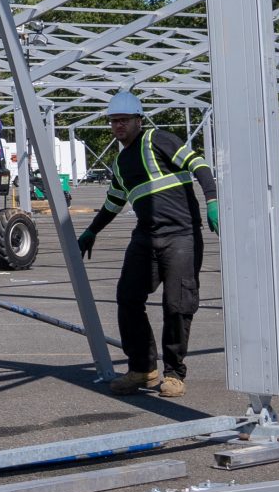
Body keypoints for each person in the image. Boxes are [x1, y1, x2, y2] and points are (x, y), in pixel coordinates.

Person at [76, 90, 217, 399]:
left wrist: (212, 201)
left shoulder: (158, 140)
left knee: (177, 304)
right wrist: (91, 231)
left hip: (181, 235)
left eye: (124, 120)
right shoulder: (121, 162)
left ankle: (174, 374)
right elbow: (113, 203)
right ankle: (142, 369)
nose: (118, 126)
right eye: (114, 121)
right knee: (127, 298)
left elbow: (198, 165)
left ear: (138, 120)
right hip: (146, 236)